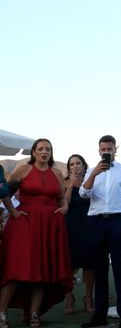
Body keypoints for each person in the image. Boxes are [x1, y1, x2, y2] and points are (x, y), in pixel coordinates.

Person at [0, 139, 73, 328]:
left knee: (43, 270)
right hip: (24, 223)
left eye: (47, 149)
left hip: (50, 225)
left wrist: (64, 208)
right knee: (17, 269)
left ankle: (34, 312)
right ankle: (1, 312)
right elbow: (5, 192)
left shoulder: (57, 173)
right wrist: (14, 211)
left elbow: (61, 198)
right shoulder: (22, 170)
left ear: (51, 152)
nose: (44, 152)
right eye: (40, 149)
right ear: (33, 152)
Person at [79, 135, 121, 328]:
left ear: (115, 149)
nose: (106, 151)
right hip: (96, 222)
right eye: (103, 149)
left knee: (120, 270)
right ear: (99, 151)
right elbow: (83, 193)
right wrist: (94, 173)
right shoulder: (91, 171)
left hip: (117, 221)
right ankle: (99, 315)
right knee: (99, 271)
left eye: (109, 148)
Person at [63, 154, 94, 315]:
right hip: (70, 227)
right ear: (68, 168)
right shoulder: (64, 183)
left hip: (88, 226)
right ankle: (70, 298)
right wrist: (70, 186)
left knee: (89, 265)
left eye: (78, 163)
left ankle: (88, 298)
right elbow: (65, 205)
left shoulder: (90, 181)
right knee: (70, 265)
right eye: (72, 164)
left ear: (84, 165)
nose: (75, 166)